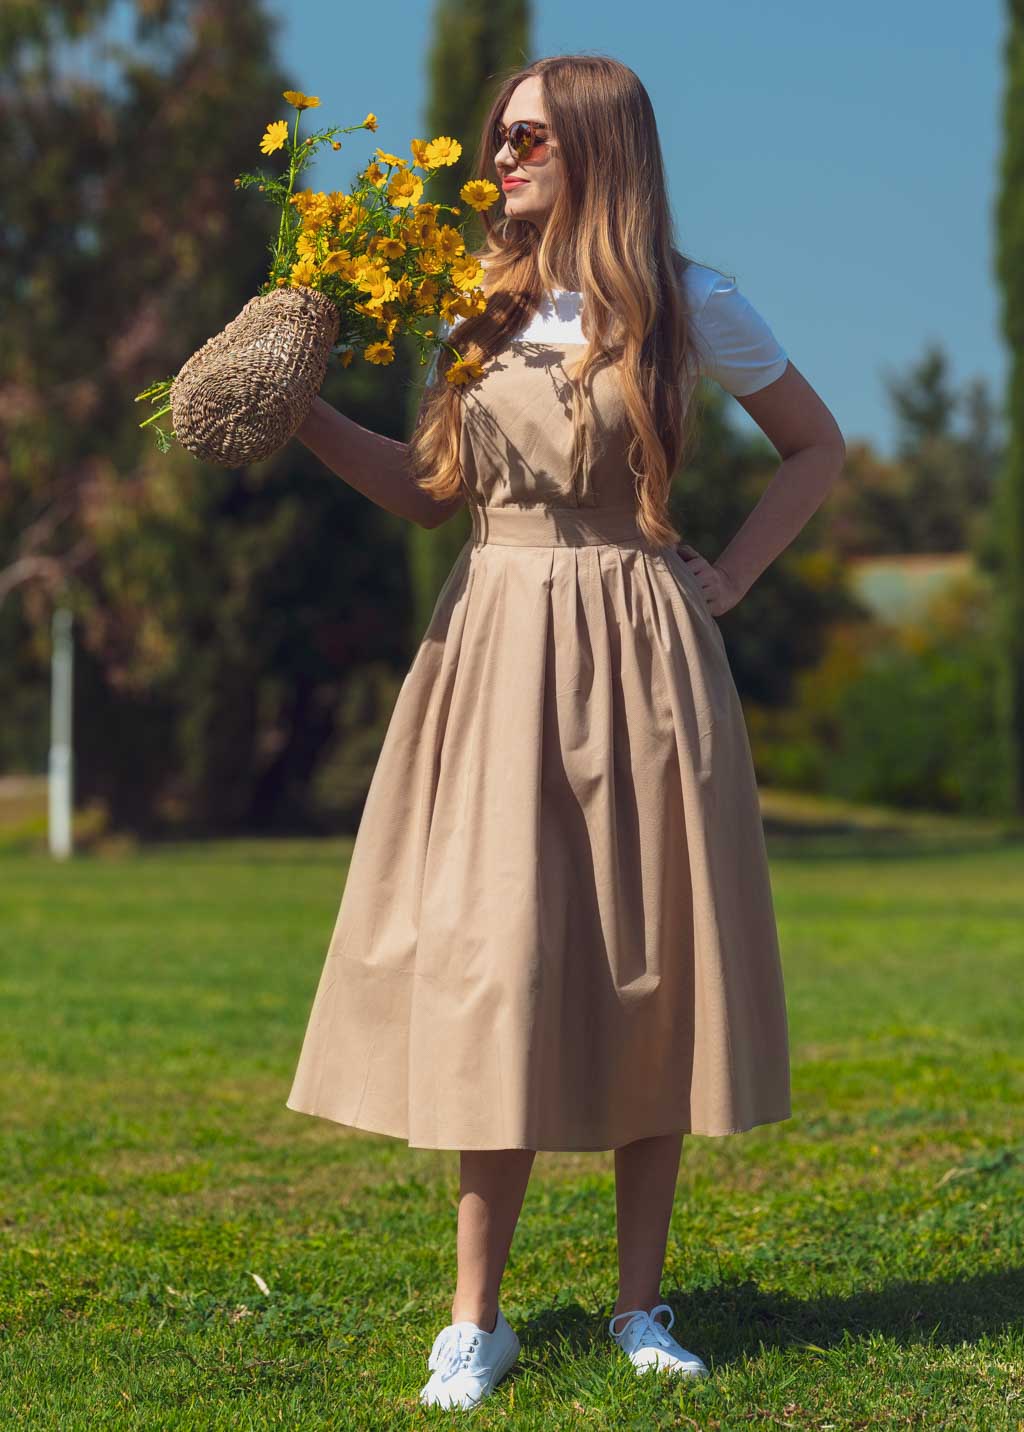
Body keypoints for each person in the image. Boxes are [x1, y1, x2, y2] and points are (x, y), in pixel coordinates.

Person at [286, 53, 846, 1412]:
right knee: (500, 969)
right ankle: (474, 1322)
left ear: (599, 146)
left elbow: (816, 447)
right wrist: (300, 417)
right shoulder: (471, 303)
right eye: (500, 134)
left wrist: (730, 577)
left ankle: (641, 1305)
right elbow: (433, 493)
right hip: (492, 648)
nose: (501, 155)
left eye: (528, 136)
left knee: (652, 969)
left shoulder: (689, 302)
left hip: (644, 651)